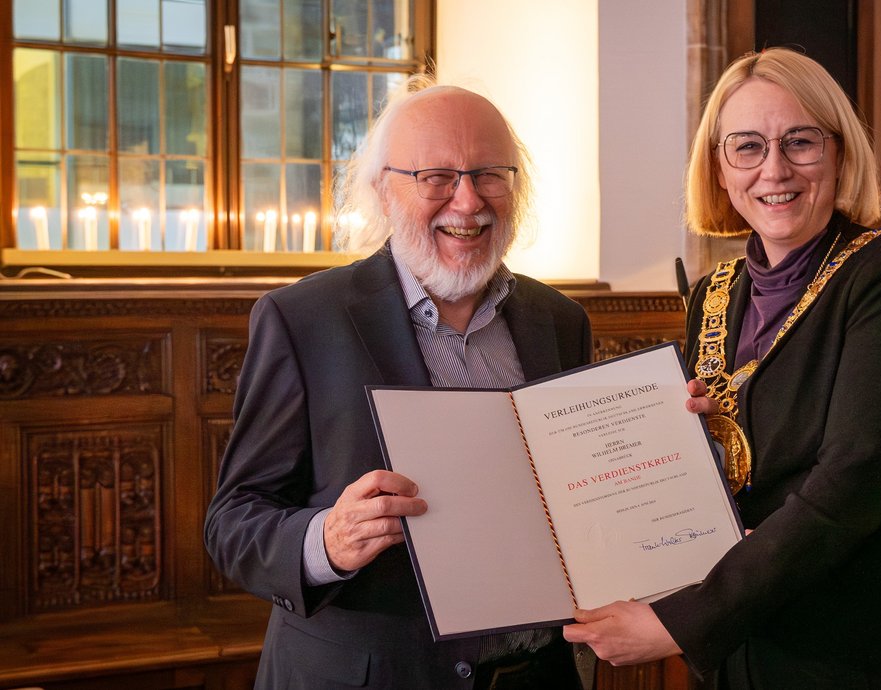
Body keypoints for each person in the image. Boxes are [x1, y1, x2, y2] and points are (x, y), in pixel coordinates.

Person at [563, 47, 881, 689]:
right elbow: (741, 467)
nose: (773, 169)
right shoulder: (714, 293)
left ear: (839, 155)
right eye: (746, 146)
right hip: (759, 640)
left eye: (800, 142)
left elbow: (852, 482)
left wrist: (681, 621)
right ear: (720, 169)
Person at [204, 76, 597, 689]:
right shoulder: (303, 319)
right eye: (436, 177)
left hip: (534, 675)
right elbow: (233, 522)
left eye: (490, 174)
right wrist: (324, 542)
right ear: (383, 192)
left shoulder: (561, 322)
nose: (467, 203)